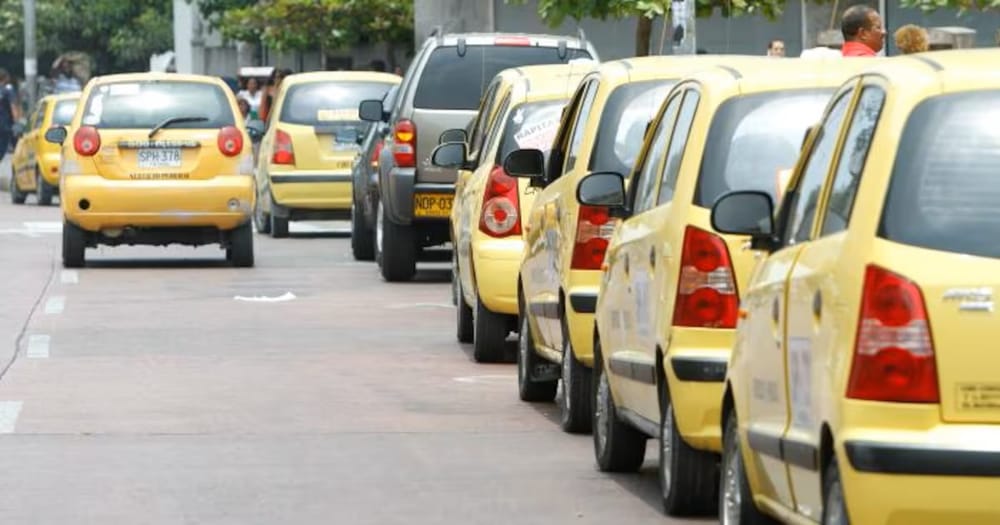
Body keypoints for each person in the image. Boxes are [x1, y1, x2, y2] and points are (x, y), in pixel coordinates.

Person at [0, 69, 20, 159]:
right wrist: (17, 122)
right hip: (6, 124)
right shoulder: (8, 89)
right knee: (14, 146)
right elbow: (13, 106)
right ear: (6, 78)